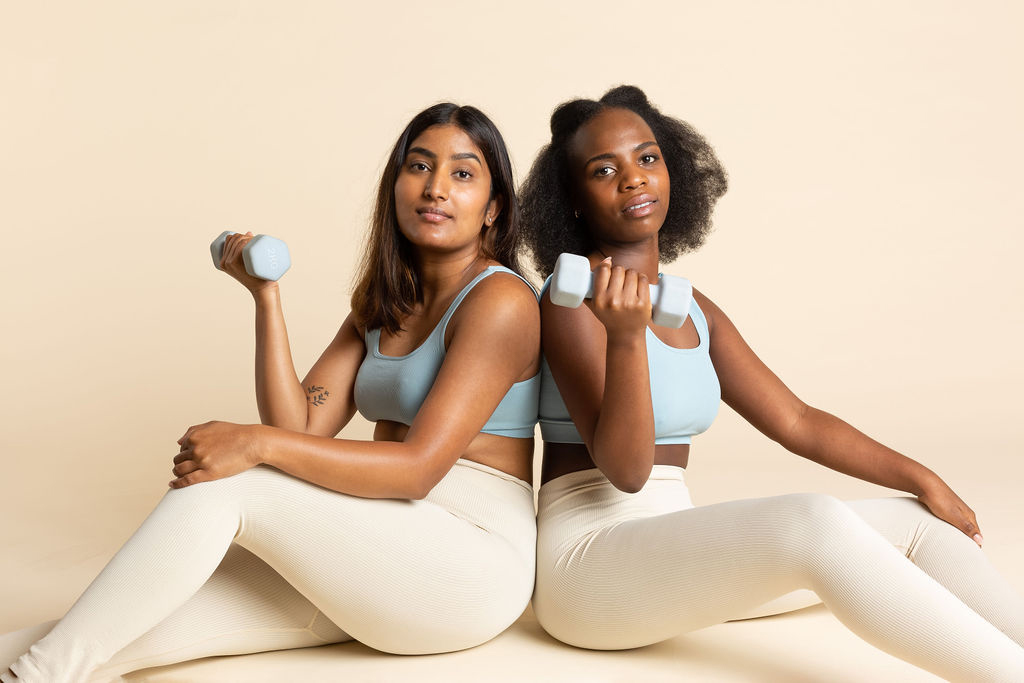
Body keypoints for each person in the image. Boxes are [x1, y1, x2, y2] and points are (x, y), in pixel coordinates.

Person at [1, 102, 540, 683]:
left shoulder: (501, 303)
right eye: (419, 167)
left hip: (467, 567)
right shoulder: (385, 301)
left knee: (228, 481)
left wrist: (253, 446)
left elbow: (416, 469)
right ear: (395, 188)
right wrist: (266, 297)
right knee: (89, 635)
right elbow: (301, 431)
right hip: (379, 545)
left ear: (493, 210)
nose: (435, 188)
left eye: (462, 174)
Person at [520, 85, 1024, 681]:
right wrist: (627, 340)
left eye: (648, 158)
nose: (633, 179)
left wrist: (925, 478)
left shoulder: (695, 310)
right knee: (812, 519)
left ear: (672, 170)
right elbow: (627, 473)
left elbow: (797, 421)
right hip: (590, 569)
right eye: (604, 170)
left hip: (669, 549)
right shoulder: (569, 300)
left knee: (918, 525)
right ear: (573, 201)